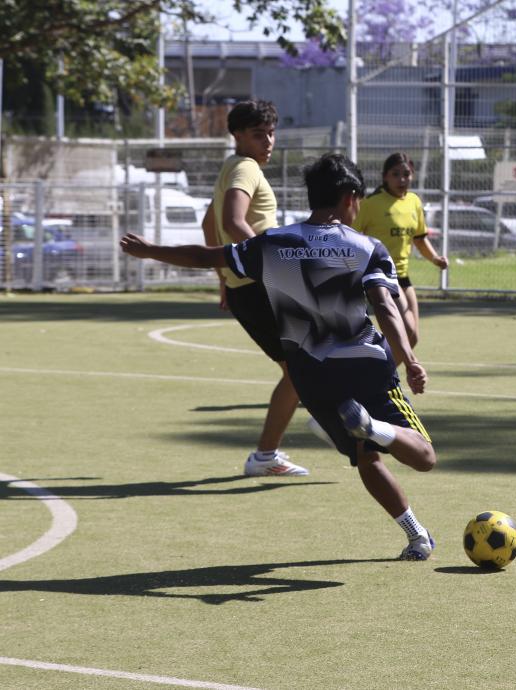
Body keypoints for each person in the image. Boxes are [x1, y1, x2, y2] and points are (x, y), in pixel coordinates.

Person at [122, 153, 437, 561]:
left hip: (312, 376)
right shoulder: (366, 248)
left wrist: (151, 251)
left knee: (366, 458)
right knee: (424, 456)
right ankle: (375, 427)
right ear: (350, 198)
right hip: (365, 367)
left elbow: (206, 255)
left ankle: (417, 535)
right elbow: (386, 307)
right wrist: (409, 358)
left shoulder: (272, 243)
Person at [200, 99, 307, 478]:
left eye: (272, 133)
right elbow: (232, 221)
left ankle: (272, 451)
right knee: (303, 367)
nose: (269, 141)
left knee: (301, 368)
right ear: (237, 135)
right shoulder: (245, 168)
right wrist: (269, 266)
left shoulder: (232, 167)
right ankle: (270, 452)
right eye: (259, 134)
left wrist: (223, 277)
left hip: (244, 286)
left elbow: (208, 224)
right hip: (258, 286)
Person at [353, 152, 448, 348]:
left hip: (403, 277)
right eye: (395, 174)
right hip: (380, 277)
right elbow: (350, 235)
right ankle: (379, 367)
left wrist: (435, 259)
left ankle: (382, 368)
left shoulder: (414, 201)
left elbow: (419, 239)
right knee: (406, 332)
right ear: (385, 177)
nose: (402, 179)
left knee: (412, 338)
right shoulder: (371, 204)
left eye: (406, 174)